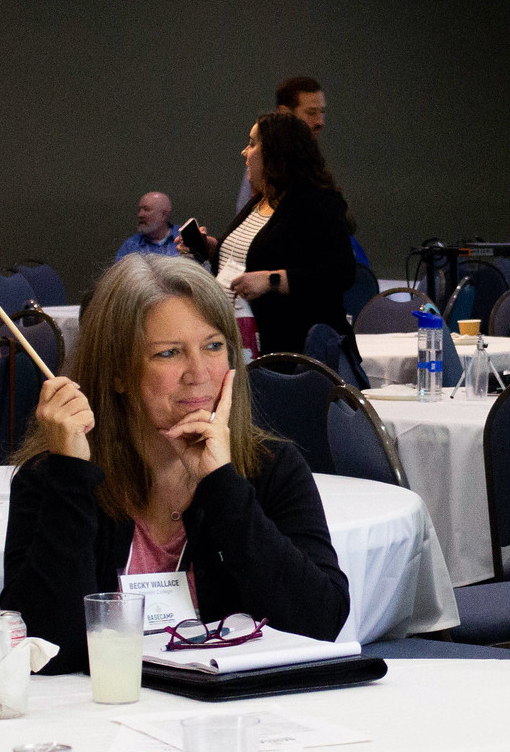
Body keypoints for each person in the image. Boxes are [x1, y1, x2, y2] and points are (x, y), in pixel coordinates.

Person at [1, 255, 350, 674]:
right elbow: (48, 650)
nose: (199, 373)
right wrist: (71, 476)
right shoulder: (52, 478)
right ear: (118, 373)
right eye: (168, 353)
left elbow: (320, 623)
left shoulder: (270, 468)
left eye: (214, 346)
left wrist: (222, 484)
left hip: (235, 721)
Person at [186, 111, 356, 355]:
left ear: (277, 153)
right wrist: (212, 248)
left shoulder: (318, 202)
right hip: (244, 342)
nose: (245, 152)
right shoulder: (260, 201)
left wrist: (272, 280)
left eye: (253, 143)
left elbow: (340, 273)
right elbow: (251, 259)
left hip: (293, 351)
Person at [232, 76, 327, 213]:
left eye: (322, 112)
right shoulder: (263, 167)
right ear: (285, 113)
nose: (320, 122)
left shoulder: (313, 165)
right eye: (311, 113)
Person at [115, 191, 181, 260]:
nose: (140, 215)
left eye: (146, 209)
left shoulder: (185, 238)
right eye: (139, 210)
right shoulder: (130, 246)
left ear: (163, 215)